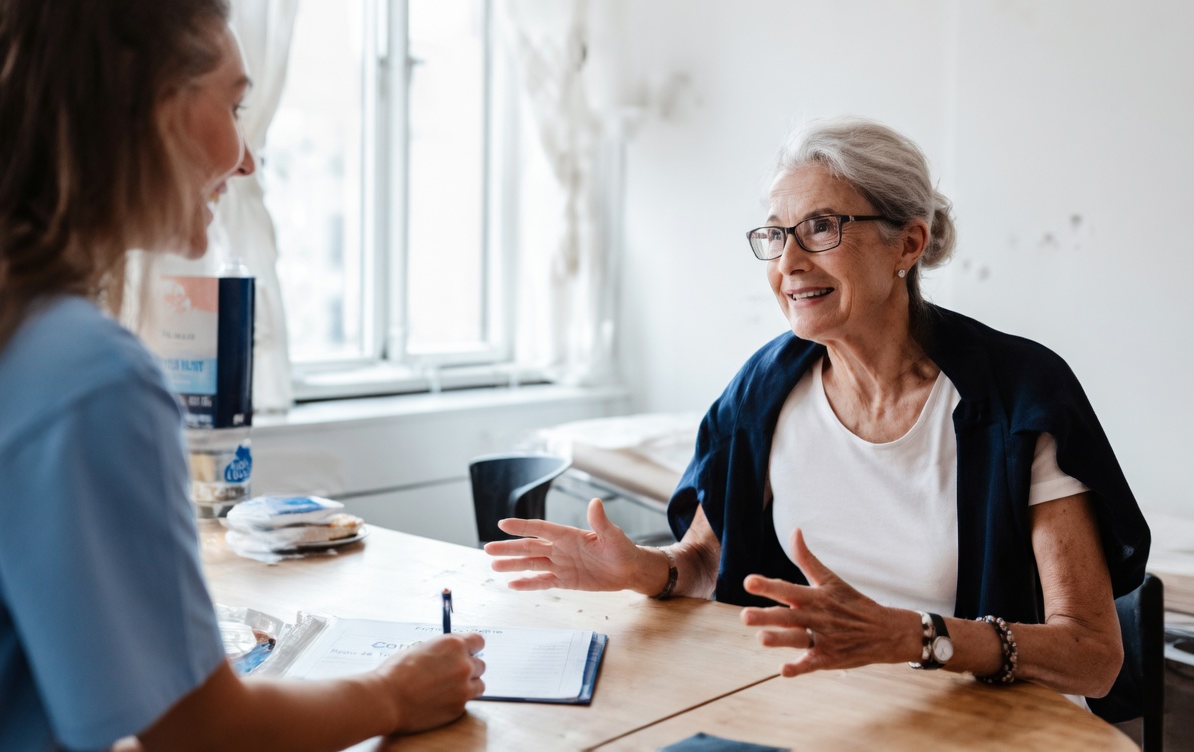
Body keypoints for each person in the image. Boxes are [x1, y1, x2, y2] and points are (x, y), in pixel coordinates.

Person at [0, 1, 484, 750]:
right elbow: (197, 732)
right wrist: (392, 695)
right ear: (143, 101)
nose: (246, 158)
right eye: (234, 107)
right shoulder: (76, 373)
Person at [485, 118, 1149, 708]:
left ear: (908, 245)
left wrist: (915, 638)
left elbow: (1092, 656)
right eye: (775, 236)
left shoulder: (1017, 395)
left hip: (990, 724)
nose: (789, 263)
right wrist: (643, 571)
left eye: (821, 229)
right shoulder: (763, 391)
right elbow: (707, 565)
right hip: (820, 711)